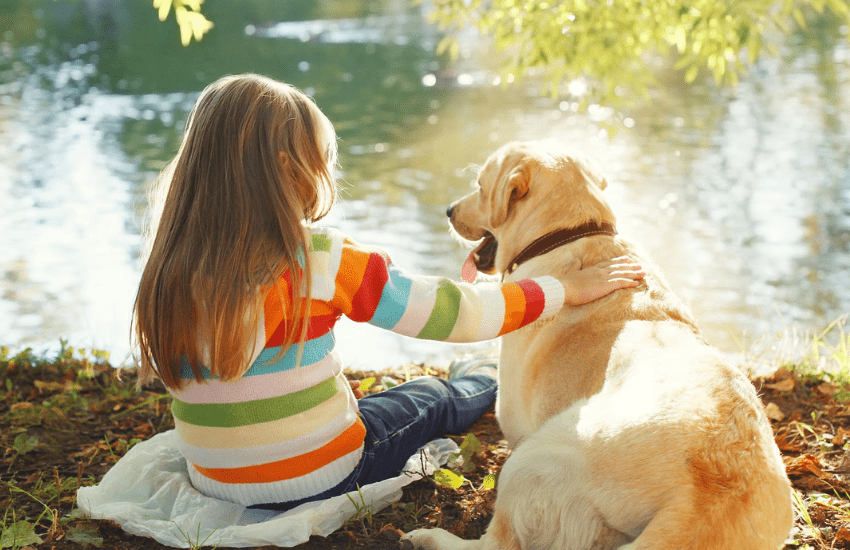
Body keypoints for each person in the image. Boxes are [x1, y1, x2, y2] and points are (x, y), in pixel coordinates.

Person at [132, 73, 645, 511]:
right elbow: (452, 314)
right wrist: (560, 288)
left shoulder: (169, 264)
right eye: (321, 162)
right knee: (428, 398)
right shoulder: (318, 259)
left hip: (215, 482)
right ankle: (481, 381)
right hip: (322, 479)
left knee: (361, 400)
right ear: (291, 171)